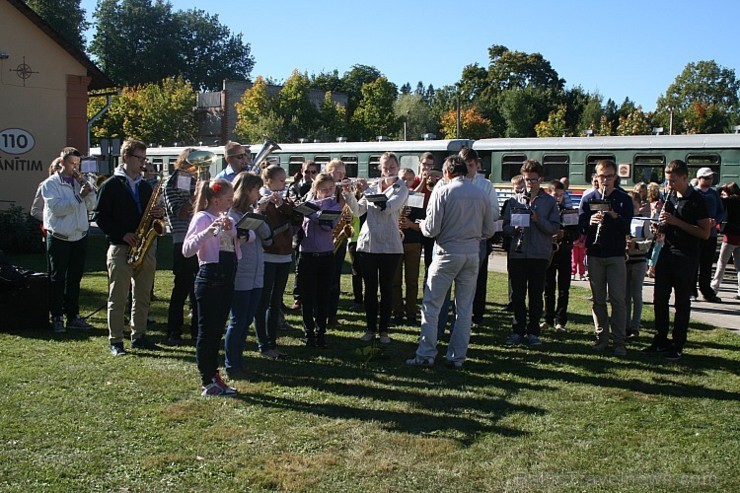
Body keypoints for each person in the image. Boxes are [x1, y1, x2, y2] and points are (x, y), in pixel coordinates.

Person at [406, 156, 495, 369]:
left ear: (447, 172)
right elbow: (490, 230)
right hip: (471, 253)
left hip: (447, 252)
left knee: (432, 305)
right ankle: (457, 357)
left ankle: (426, 353)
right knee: (464, 308)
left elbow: (432, 229)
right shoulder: (481, 193)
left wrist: (422, 224)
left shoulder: (443, 191)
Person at [94, 139, 163, 355]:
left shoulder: (145, 186)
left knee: (142, 295)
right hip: (121, 247)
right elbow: (101, 217)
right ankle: (116, 340)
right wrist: (122, 234)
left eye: (145, 159)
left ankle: (139, 335)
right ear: (126, 157)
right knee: (119, 296)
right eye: (139, 158)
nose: (143, 163)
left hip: (145, 246)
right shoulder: (111, 185)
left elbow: (149, 218)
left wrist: (156, 217)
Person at [645, 160, 711, 360]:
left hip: (686, 256)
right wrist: (659, 226)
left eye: (673, 181)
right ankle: (660, 339)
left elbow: (705, 233)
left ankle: (677, 343)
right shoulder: (670, 197)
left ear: (684, 177)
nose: (670, 185)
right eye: (668, 181)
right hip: (666, 253)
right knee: (659, 299)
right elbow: (667, 226)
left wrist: (676, 222)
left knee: (681, 302)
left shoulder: (697, 200)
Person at [183, 178, 241, 396]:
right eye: (228, 198)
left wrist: (233, 230)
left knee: (217, 331)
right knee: (207, 333)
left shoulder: (224, 217)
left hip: (227, 277)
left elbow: (236, 245)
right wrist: (209, 230)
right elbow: (188, 249)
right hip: (210, 278)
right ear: (216, 200)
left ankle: (214, 375)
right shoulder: (202, 217)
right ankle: (207, 380)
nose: (231, 202)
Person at [578, 160, 633, 356]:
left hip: (616, 254)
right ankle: (601, 338)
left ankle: (619, 341)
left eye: (609, 176)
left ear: (615, 178)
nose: (605, 180)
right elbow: (581, 225)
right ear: (596, 177)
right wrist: (590, 221)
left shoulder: (623, 199)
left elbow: (628, 227)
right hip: (595, 253)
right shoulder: (589, 198)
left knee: (618, 299)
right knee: (598, 299)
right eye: (602, 176)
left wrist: (614, 216)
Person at [502, 160, 560, 347]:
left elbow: (554, 228)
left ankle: (533, 332)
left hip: (539, 254)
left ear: (540, 179)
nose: (530, 184)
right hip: (518, 254)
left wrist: (537, 219)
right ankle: (517, 330)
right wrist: (514, 228)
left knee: (536, 295)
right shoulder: (514, 200)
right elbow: (504, 226)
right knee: (517, 295)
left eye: (533, 180)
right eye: (527, 180)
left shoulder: (549, 202)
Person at [40, 147, 95, 333]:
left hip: (79, 236)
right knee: (57, 278)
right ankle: (56, 316)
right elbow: (58, 209)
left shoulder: (79, 182)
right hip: (59, 237)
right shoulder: (50, 184)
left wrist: (89, 192)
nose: (75, 168)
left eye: (77, 164)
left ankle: (73, 316)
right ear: (62, 163)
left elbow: (92, 205)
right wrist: (79, 196)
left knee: (75, 278)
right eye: (72, 163)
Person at [357, 152, 409, 344]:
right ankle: (370, 328)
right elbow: (357, 210)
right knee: (369, 289)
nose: (388, 171)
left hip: (390, 246)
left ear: (397, 168)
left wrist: (366, 191)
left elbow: (387, 208)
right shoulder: (372, 187)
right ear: (380, 168)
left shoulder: (401, 188)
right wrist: (347, 193)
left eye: (392, 167)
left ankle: (384, 331)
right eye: (385, 168)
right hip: (368, 244)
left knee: (386, 288)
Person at [225, 172, 273, 375]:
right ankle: (232, 365)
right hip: (241, 274)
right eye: (255, 190)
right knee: (238, 320)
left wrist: (258, 216)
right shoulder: (231, 214)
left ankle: (238, 361)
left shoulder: (252, 211)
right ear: (245, 190)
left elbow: (268, 237)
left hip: (256, 273)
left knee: (246, 320)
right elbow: (235, 238)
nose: (258, 194)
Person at [296, 173, 343, 347]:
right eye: (324, 189)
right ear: (316, 189)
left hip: (325, 256)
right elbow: (297, 222)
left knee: (323, 296)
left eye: (331, 188)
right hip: (307, 255)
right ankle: (308, 333)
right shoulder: (307, 204)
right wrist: (304, 210)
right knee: (307, 296)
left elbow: (326, 225)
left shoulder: (335, 206)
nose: (328, 191)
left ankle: (321, 332)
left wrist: (312, 213)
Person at [255, 165, 296, 359]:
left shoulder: (283, 199)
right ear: (268, 181)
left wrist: (283, 205)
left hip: (285, 254)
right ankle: (264, 344)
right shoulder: (260, 199)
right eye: (281, 180)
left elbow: (296, 218)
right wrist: (263, 206)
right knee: (264, 301)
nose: (284, 184)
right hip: (267, 255)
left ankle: (272, 343)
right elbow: (258, 224)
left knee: (275, 302)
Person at [459, 148, 499, 327]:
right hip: (456, 239)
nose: (468, 169)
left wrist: (474, 212)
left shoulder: (485, 185)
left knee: (477, 278)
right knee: (456, 279)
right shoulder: (449, 183)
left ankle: (477, 315)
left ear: (477, 166)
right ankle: (458, 315)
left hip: (478, 238)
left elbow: (495, 212)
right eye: (464, 165)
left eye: (471, 165)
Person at [162, 148, 198, 345]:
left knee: (198, 289)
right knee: (182, 288)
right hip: (182, 239)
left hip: (198, 240)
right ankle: (174, 331)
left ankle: (197, 331)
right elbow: (181, 212)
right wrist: (198, 195)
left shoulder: (192, 181)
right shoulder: (174, 183)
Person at [322, 159, 360, 327]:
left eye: (343, 174)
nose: (341, 177)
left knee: (334, 280)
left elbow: (353, 213)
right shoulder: (322, 189)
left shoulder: (343, 192)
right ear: (329, 172)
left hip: (339, 239)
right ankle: (321, 314)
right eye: (338, 173)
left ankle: (332, 315)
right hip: (322, 238)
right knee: (322, 279)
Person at [542, 180, 579, 333]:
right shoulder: (545, 212)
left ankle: (561, 321)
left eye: (561, 195)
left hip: (564, 251)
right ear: (549, 193)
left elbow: (576, 233)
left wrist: (566, 234)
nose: (558, 198)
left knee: (564, 289)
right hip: (549, 252)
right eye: (555, 194)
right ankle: (548, 319)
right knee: (548, 287)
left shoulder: (568, 211)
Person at [393, 168, 424, 325]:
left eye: (410, 179)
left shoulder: (417, 197)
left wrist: (410, 224)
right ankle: (397, 312)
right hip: (394, 243)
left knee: (412, 281)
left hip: (413, 243)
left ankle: (411, 313)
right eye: (403, 179)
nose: (406, 182)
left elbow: (424, 225)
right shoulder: (391, 196)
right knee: (395, 281)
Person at [288, 160, 320, 311]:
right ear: (302, 171)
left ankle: (313, 297)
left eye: (313, 172)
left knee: (313, 267)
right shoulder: (294, 186)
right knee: (299, 266)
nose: (309, 175)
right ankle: (298, 297)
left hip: (314, 229)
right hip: (299, 229)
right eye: (307, 171)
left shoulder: (319, 188)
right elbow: (296, 204)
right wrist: (309, 194)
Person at [692, 167, 724, 303]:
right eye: (706, 178)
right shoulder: (693, 193)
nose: (709, 180)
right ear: (699, 179)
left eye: (711, 178)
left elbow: (721, 211)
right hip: (695, 233)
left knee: (706, 265)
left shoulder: (714, 193)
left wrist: (715, 220)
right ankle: (691, 290)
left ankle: (706, 290)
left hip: (711, 234)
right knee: (693, 264)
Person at [625, 191, 651, 339]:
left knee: (637, 294)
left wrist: (638, 245)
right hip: (625, 260)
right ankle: (626, 325)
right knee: (625, 295)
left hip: (639, 261)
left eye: (633, 206)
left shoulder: (644, 220)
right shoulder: (624, 220)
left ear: (639, 206)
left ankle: (635, 326)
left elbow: (649, 241)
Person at [710, 182, 740, 299]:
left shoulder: (730, 201)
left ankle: (714, 287)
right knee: (739, 266)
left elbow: (717, 197)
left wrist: (720, 188)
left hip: (730, 237)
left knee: (721, 263)